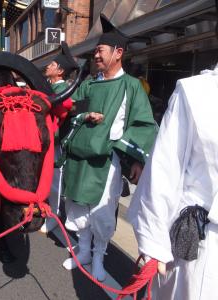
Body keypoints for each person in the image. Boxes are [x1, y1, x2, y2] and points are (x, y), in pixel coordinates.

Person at [127, 2, 218, 298]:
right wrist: (154, 242)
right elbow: (165, 169)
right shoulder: (196, 91)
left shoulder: (135, 86)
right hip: (204, 242)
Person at [60, 14, 157, 281]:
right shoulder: (88, 84)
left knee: (102, 209)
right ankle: (83, 250)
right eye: (95, 52)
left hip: (107, 160)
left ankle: (99, 255)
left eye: (100, 51)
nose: (96, 56)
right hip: (80, 157)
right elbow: (71, 112)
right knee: (77, 205)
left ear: (118, 53)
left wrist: (137, 160)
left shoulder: (131, 86)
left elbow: (144, 124)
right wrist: (83, 116)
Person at [41, 41, 78, 233]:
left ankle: (53, 216)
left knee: (54, 182)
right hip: (45, 142)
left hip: (56, 143)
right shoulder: (49, 87)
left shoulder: (64, 90)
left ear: (60, 71)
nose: (48, 66)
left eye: (53, 65)